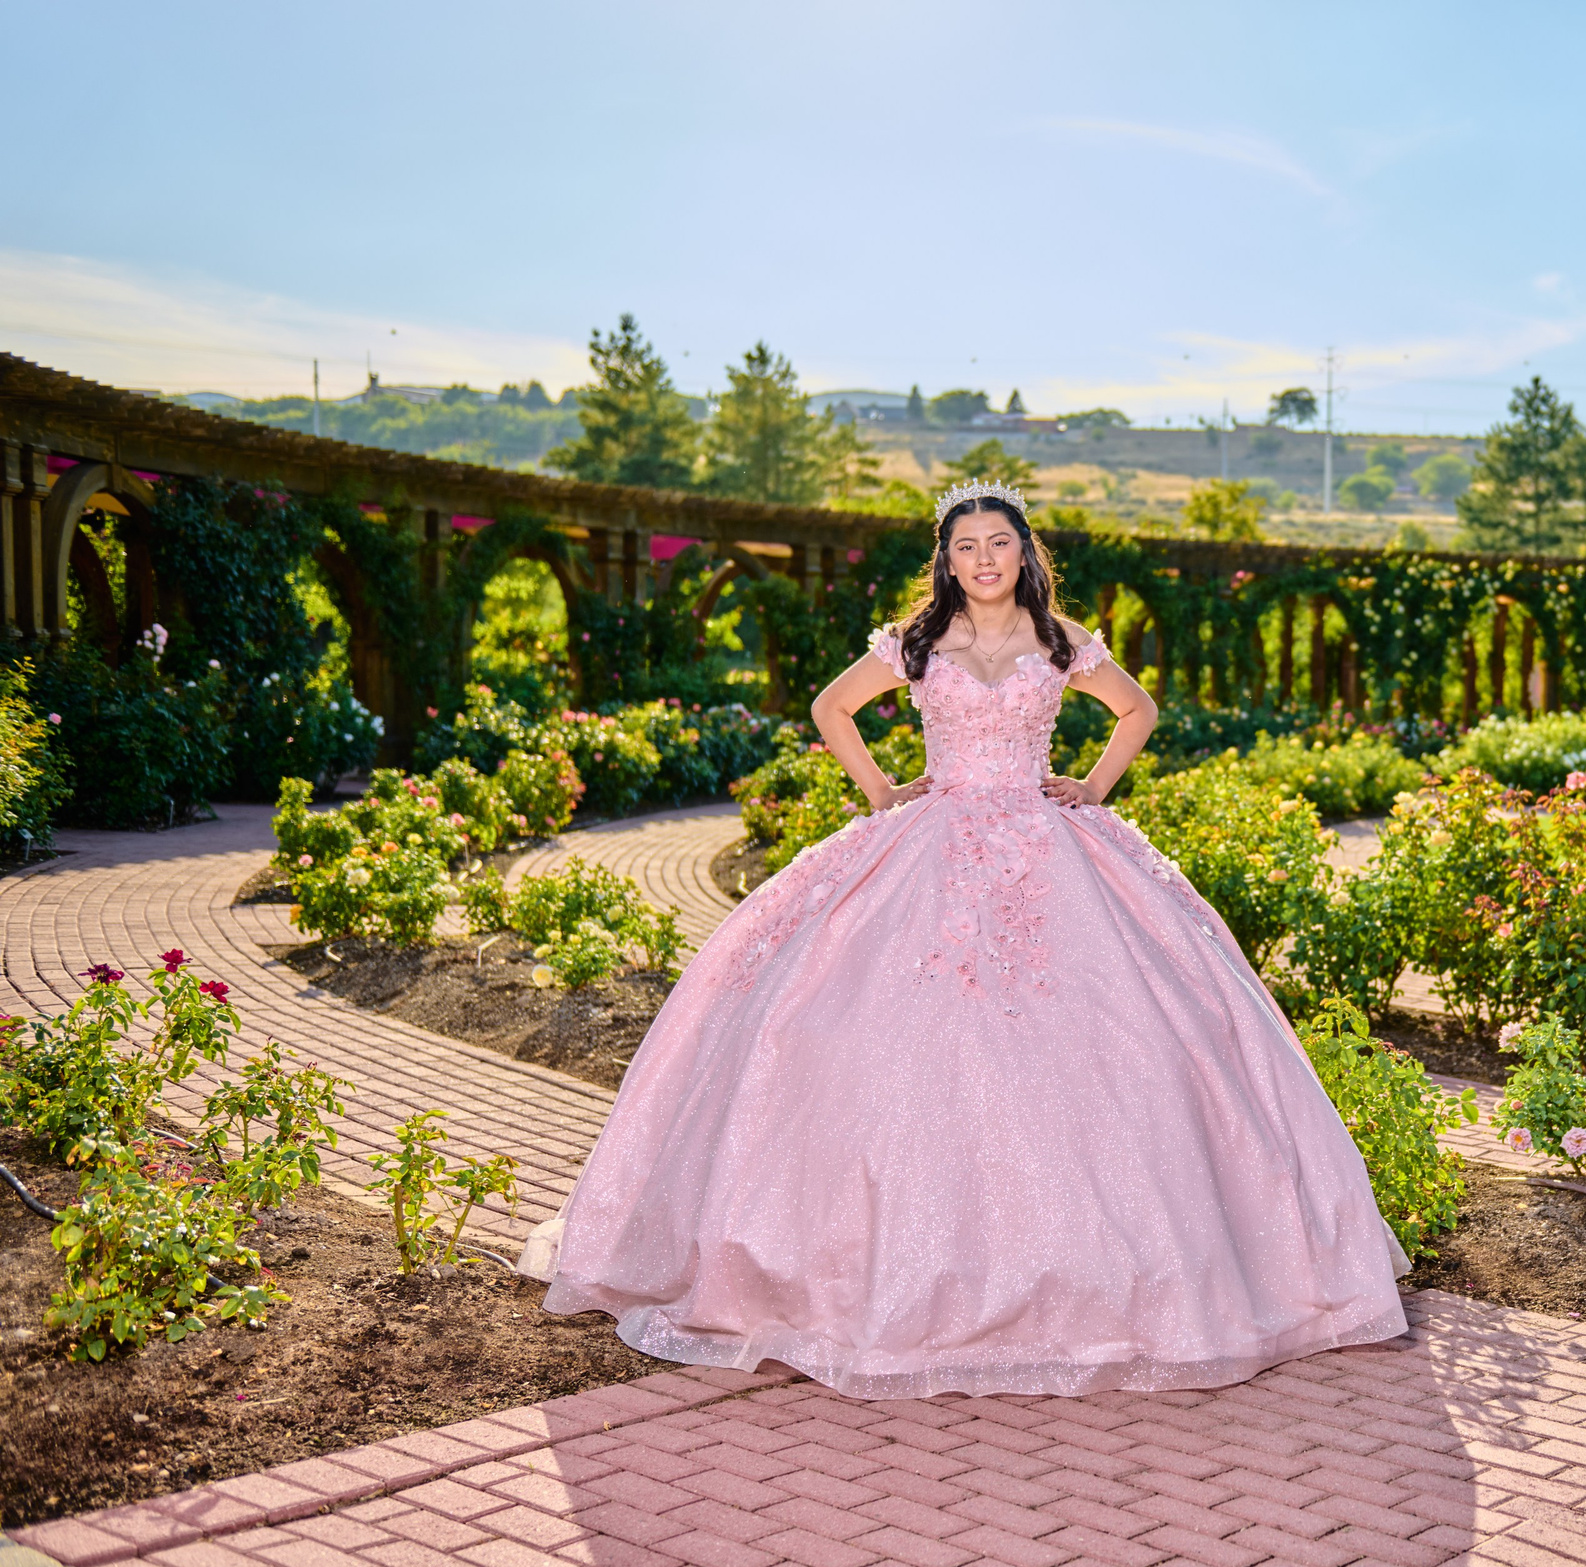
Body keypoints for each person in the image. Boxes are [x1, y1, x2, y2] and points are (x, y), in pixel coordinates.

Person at [530, 479, 1412, 1398]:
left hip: (1045, 844)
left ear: (1024, 553)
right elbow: (831, 708)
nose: (983, 559)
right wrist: (881, 791)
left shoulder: (1060, 640)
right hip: (934, 842)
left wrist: (1094, 786)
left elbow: (1138, 710)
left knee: (1114, 1034)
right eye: (965, 547)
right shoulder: (917, 643)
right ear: (946, 562)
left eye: (998, 543)